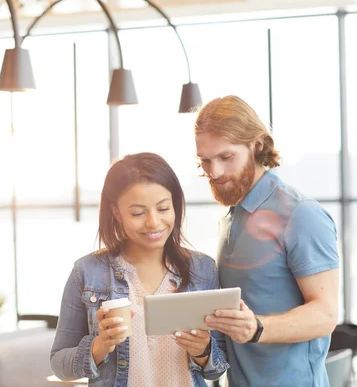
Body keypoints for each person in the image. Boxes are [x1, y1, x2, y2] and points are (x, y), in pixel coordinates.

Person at [194, 96, 340, 386]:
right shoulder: (232, 215)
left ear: (257, 146)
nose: (215, 172)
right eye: (206, 161)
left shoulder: (300, 213)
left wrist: (257, 328)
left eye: (226, 157)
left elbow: (326, 314)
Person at [50, 152, 229, 386]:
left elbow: (218, 367)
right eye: (138, 213)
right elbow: (59, 364)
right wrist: (100, 346)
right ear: (116, 212)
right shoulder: (87, 272)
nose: (153, 222)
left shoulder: (203, 269)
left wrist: (203, 352)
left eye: (163, 208)